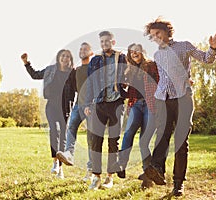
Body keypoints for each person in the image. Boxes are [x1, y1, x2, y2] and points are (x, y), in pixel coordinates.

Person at [143, 17, 216, 196]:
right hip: (163, 98)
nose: (156, 37)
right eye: (153, 35)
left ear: (167, 31)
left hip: (183, 97)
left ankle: (178, 184)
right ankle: (157, 170)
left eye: (158, 33)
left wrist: (213, 48)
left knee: (180, 141)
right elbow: (163, 76)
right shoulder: (157, 55)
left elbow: (206, 59)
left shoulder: (184, 46)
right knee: (162, 135)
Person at [21, 50, 75, 179]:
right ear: (58, 58)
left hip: (66, 106)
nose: (65, 58)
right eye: (63, 56)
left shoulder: (73, 72)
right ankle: (55, 162)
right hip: (52, 105)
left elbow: (81, 85)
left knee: (63, 135)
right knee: (54, 130)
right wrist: (26, 63)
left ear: (70, 59)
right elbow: (35, 75)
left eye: (67, 56)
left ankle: (60, 169)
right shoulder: (51, 69)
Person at [84, 31, 127, 190]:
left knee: (113, 141)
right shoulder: (95, 61)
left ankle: (110, 177)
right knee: (96, 141)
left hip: (117, 104)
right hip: (99, 104)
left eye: (107, 41)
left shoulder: (122, 58)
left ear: (113, 42)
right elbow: (89, 83)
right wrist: (87, 104)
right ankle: (96, 177)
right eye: (101, 41)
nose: (104, 44)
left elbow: (131, 75)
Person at [118, 43, 159, 189]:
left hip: (150, 105)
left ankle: (147, 178)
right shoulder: (130, 71)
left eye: (137, 51)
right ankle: (121, 164)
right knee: (128, 133)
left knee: (143, 142)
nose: (134, 53)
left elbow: (160, 83)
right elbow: (129, 92)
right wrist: (121, 87)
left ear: (142, 52)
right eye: (131, 52)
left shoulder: (151, 65)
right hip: (135, 105)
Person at [56, 42, 94, 182]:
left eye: (85, 49)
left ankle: (91, 171)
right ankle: (69, 154)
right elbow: (72, 89)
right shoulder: (76, 71)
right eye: (81, 49)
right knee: (71, 128)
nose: (82, 51)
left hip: (92, 106)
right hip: (79, 104)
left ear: (91, 53)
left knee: (91, 139)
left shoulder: (94, 68)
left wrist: (93, 103)